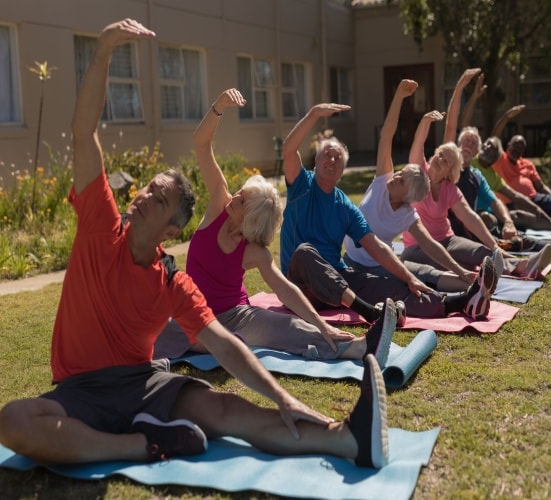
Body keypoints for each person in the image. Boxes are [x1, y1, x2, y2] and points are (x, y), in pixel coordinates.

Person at [0, 19, 394, 470]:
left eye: (160, 198)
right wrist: (104, 48)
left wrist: (285, 393)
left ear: (172, 230)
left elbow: (226, 344)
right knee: (14, 419)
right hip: (80, 390)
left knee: (227, 409)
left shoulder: (173, 281)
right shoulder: (99, 226)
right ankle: (143, 444)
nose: (145, 196)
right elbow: (83, 131)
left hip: (144, 382)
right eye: (148, 189)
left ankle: (347, 437)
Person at [154, 88, 397, 368]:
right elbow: (201, 144)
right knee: (150, 328)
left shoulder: (254, 251)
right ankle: (208, 344)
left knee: (285, 326)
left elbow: (285, 290)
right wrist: (219, 106)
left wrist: (322, 325)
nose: (234, 197)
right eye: (240, 192)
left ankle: (359, 347)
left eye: (242, 200)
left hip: (235, 316)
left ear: (252, 220)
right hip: (192, 313)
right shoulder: (219, 204)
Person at [280, 100, 498, 323]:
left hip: (337, 280)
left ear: (342, 171)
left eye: (338, 158)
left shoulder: (345, 206)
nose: (332, 160)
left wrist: (409, 278)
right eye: (327, 154)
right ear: (316, 160)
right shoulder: (301, 186)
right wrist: (314, 114)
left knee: (391, 284)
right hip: (299, 286)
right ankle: (369, 311)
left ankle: (461, 302)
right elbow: (288, 149)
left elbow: (377, 247)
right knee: (305, 252)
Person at [342, 78, 478, 293]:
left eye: (402, 179)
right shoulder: (381, 182)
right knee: (402, 283)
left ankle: (472, 288)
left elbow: (431, 245)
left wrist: (460, 270)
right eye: (400, 172)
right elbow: (387, 135)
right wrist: (398, 97)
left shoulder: (408, 215)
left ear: (408, 198)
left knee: (419, 274)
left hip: (382, 265)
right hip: (352, 264)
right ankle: (460, 293)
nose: (395, 176)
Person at [400, 107, 551, 280]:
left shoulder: (450, 188)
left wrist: (494, 246)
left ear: (450, 172)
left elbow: (470, 217)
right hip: (418, 247)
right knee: (458, 262)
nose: (440, 160)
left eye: (446, 161)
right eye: (440, 155)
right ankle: (514, 265)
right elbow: (417, 145)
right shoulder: (420, 172)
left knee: (482, 252)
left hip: (447, 240)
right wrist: (425, 122)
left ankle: (523, 266)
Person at [456, 128, 551, 257]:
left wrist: (509, 222)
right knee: (489, 220)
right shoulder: (450, 165)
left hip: (483, 220)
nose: (470, 145)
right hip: (467, 224)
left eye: (473, 143)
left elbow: (497, 200)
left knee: (514, 230)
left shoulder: (478, 175)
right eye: (467, 141)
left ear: (477, 150)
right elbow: (453, 127)